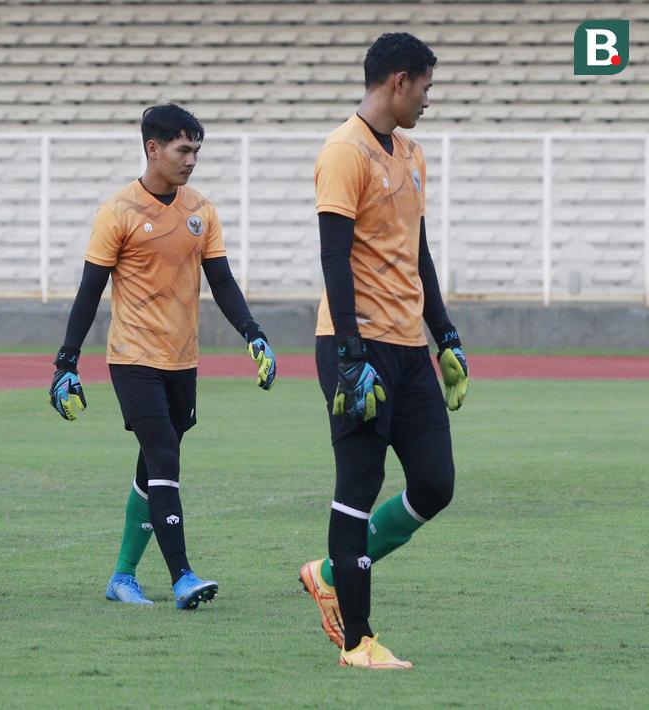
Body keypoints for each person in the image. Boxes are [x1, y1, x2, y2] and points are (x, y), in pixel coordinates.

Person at [49, 103, 276, 610]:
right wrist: (66, 361)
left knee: (150, 468)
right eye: (183, 149)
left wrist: (253, 333)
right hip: (133, 359)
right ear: (153, 148)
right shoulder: (119, 212)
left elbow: (222, 280)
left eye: (196, 150)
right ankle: (182, 576)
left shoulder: (201, 210)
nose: (192, 159)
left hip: (182, 360)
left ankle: (122, 577)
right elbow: (90, 291)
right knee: (166, 457)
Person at [300, 32, 469, 669]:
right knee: (360, 485)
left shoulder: (411, 152)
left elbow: (416, 251)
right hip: (356, 344)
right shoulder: (343, 152)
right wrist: (349, 353)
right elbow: (333, 258)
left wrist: (445, 334)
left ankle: (328, 570)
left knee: (434, 483)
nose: (429, 99)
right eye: (425, 87)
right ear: (398, 81)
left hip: (407, 345)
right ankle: (357, 642)